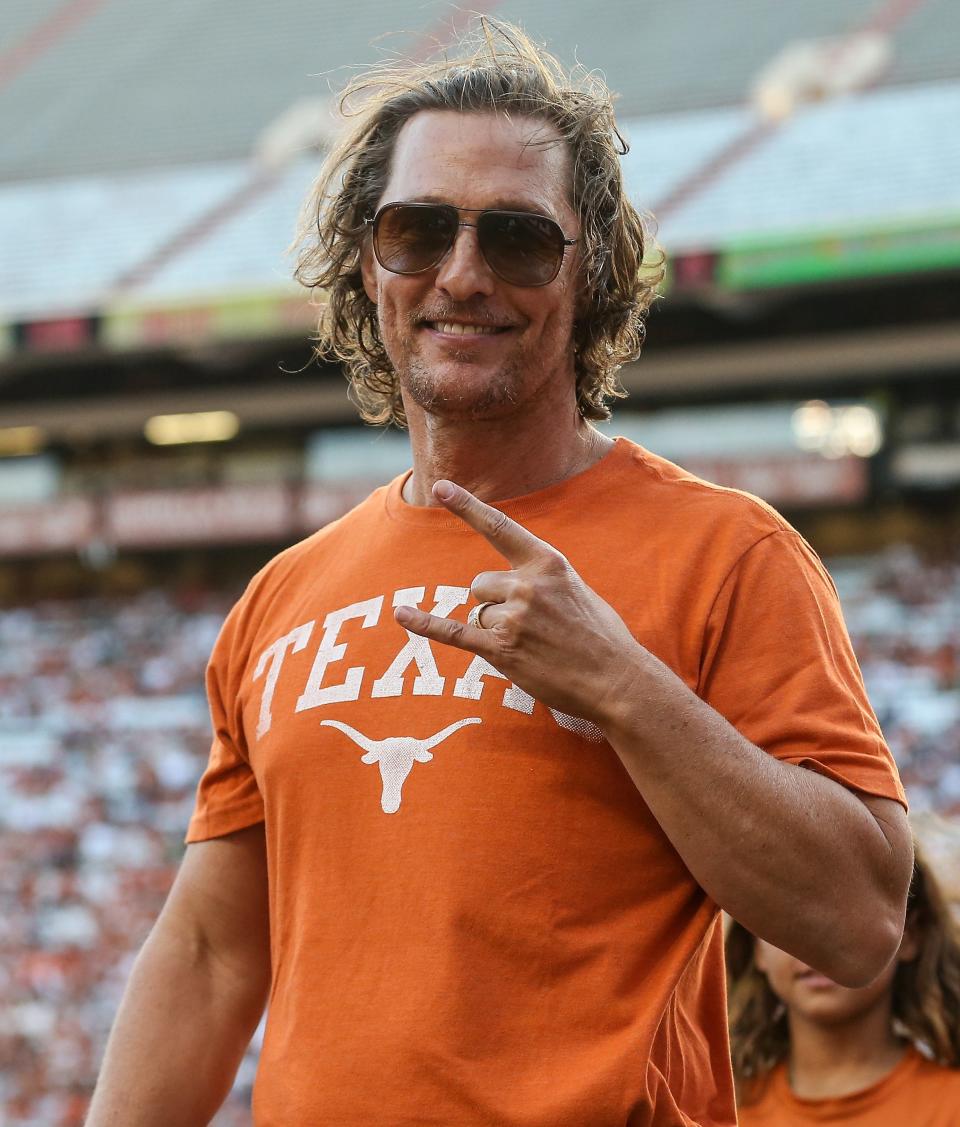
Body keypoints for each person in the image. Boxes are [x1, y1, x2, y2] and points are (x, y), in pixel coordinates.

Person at [87, 21, 913, 1127]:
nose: (462, 275)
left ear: (593, 277)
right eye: (418, 229)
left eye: (519, 240)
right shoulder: (282, 595)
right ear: (368, 263)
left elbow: (858, 919)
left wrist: (622, 684)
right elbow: (207, 953)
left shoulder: (731, 555)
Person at [726, 845, 960, 1124]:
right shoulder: (716, 1109)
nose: (814, 943)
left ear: (908, 934)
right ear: (756, 946)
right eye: (785, 915)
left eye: (846, 912)